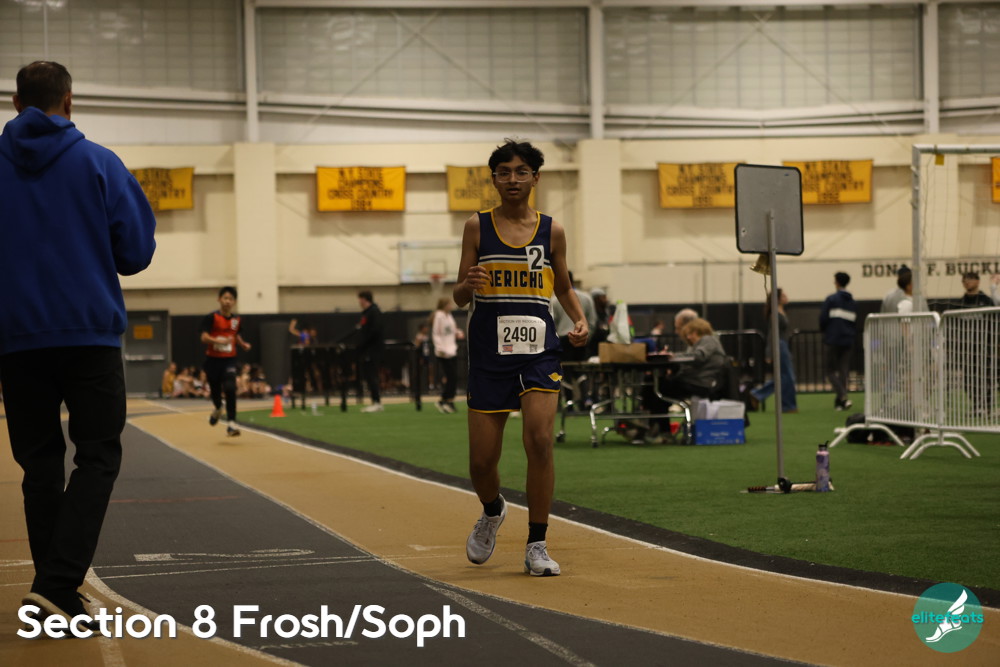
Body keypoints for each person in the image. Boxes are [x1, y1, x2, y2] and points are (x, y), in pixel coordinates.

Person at [0, 61, 156, 628]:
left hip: (16, 339)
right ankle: (57, 582)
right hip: (88, 335)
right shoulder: (99, 162)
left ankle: (57, 597)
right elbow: (135, 254)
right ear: (69, 100)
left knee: (40, 464)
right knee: (98, 456)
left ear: (16, 103)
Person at [454, 139, 588, 577]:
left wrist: (579, 318)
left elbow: (562, 285)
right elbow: (458, 296)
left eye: (521, 172)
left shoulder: (553, 231)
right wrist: (468, 284)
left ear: (535, 178)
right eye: (504, 172)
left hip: (538, 352)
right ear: (494, 179)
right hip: (489, 354)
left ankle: (537, 544)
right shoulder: (477, 226)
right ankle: (493, 510)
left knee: (541, 441)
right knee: (481, 463)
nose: (513, 179)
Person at [201, 286, 251, 436]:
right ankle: (218, 408)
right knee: (215, 392)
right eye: (225, 298)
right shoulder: (211, 318)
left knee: (230, 388)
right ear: (219, 299)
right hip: (213, 360)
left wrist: (243, 344)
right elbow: (203, 337)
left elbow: (235, 335)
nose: (228, 301)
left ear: (234, 302)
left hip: (229, 360)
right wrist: (217, 341)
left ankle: (231, 424)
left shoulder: (236, 320)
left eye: (231, 299)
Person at [750, 288, 798, 413]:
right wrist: (769, 352)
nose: (786, 296)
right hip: (779, 345)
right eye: (783, 295)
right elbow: (771, 334)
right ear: (778, 299)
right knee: (787, 377)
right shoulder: (775, 314)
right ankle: (787, 405)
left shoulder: (780, 311)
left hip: (783, 344)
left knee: (783, 377)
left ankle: (757, 394)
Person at [820, 272, 858, 411]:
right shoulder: (853, 302)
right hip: (848, 339)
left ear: (836, 282)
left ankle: (843, 396)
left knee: (829, 371)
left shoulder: (831, 299)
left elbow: (823, 319)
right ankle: (840, 404)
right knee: (843, 371)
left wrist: (825, 332)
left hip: (833, 339)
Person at [431, 298, 464, 414]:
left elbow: (452, 329)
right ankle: (448, 400)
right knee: (451, 377)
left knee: (453, 377)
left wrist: (458, 332)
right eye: (449, 304)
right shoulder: (439, 316)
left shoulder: (449, 316)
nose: (451, 306)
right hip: (443, 351)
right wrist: (439, 348)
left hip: (452, 350)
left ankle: (444, 400)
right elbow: (436, 333)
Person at [355, 289, 385, 412]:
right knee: (368, 375)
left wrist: (363, 343)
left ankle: (377, 402)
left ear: (364, 299)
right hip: (367, 350)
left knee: (372, 375)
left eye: (360, 299)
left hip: (372, 350)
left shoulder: (374, 312)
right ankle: (375, 401)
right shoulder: (367, 313)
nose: (359, 302)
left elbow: (375, 331)